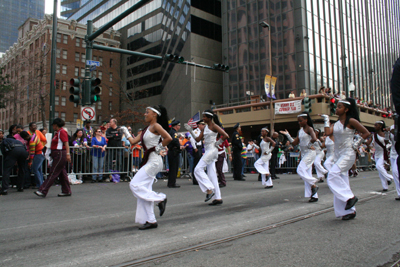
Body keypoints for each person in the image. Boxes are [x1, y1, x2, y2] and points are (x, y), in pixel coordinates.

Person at [120, 105, 171, 230]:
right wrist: (126, 132)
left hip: (154, 161)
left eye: (147, 112)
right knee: (144, 191)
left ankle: (160, 199)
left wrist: (158, 148)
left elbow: (168, 138)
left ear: (154, 114)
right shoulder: (146, 129)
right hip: (150, 161)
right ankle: (151, 220)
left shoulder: (156, 126)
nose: (145, 114)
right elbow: (133, 142)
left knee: (134, 184)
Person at [321, 98, 370, 220]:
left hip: (348, 154)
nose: (336, 109)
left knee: (332, 175)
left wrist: (356, 144)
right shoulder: (336, 124)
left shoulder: (351, 121)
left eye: (339, 107)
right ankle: (348, 211)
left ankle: (350, 198)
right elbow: (327, 133)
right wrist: (326, 119)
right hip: (338, 155)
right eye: (336, 107)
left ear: (346, 109)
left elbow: (366, 133)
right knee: (342, 181)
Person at [185, 109, 229, 205]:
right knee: (212, 174)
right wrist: (190, 131)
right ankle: (218, 198)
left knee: (197, 169)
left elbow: (225, 135)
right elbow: (197, 139)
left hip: (212, 150)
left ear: (209, 118)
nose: (203, 118)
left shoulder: (214, 126)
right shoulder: (205, 128)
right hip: (208, 150)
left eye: (204, 116)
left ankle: (209, 189)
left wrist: (218, 143)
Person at [280, 112, 320, 203]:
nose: (299, 123)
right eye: (298, 121)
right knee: (307, 174)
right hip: (304, 154)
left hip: (310, 152)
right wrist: (287, 135)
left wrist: (309, 145)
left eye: (301, 121)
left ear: (306, 120)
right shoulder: (300, 131)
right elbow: (294, 143)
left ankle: (314, 185)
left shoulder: (309, 129)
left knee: (300, 169)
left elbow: (314, 138)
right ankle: (314, 196)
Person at [34, 118, 72, 198]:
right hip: (57, 153)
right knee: (62, 173)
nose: (53, 127)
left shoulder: (61, 132)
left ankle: (43, 190)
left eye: (53, 125)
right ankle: (66, 190)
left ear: (55, 125)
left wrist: (68, 154)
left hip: (60, 153)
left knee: (53, 172)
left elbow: (66, 143)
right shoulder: (57, 132)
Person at [365, 121, 393, 191]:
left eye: (376, 125)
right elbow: (368, 143)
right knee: (380, 171)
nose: (374, 126)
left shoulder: (384, 134)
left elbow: (388, 142)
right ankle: (385, 187)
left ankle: (389, 178)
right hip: (377, 153)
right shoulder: (373, 135)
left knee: (378, 166)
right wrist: (366, 141)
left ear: (380, 126)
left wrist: (386, 134)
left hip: (383, 153)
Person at [167, 120, 181, 188]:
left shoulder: (171, 131)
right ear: (176, 126)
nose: (179, 126)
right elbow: (174, 140)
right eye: (179, 125)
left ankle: (171, 182)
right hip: (174, 151)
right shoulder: (174, 132)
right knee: (174, 168)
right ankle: (172, 183)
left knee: (172, 167)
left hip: (171, 151)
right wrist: (179, 146)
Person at [191, 121, 205, 185]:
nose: (203, 125)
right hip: (197, 147)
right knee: (196, 163)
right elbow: (192, 139)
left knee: (199, 163)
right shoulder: (195, 131)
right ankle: (195, 179)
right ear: (198, 125)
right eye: (202, 124)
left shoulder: (200, 132)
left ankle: (198, 178)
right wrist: (194, 147)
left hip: (199, 148)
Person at [389, 125, 400, 200]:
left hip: (398, 153)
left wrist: (394, 132)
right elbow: (388, 141)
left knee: (396, 172)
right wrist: (387, 134)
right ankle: (399, 193)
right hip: (392, 153)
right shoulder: (391, 127)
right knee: (394, 173)